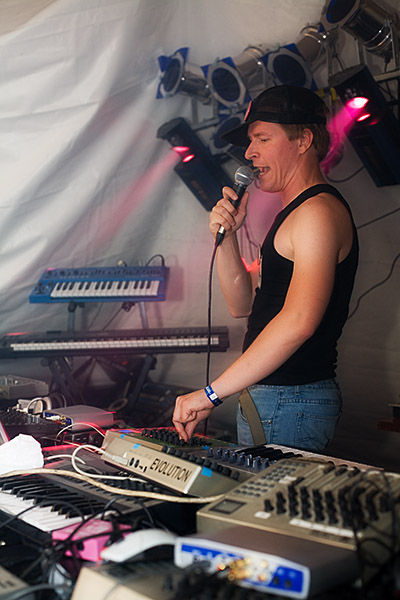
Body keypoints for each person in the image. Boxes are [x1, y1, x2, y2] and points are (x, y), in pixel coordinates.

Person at [172, 84, 359, 452]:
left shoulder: (316, 213)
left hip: (292, 399)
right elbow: (241, 303)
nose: (249, 153)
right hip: (275, 398)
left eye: (262, 138)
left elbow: (299, 321)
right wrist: (228, 237)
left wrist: (211, 394)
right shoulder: (295, 214)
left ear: (303, 140)